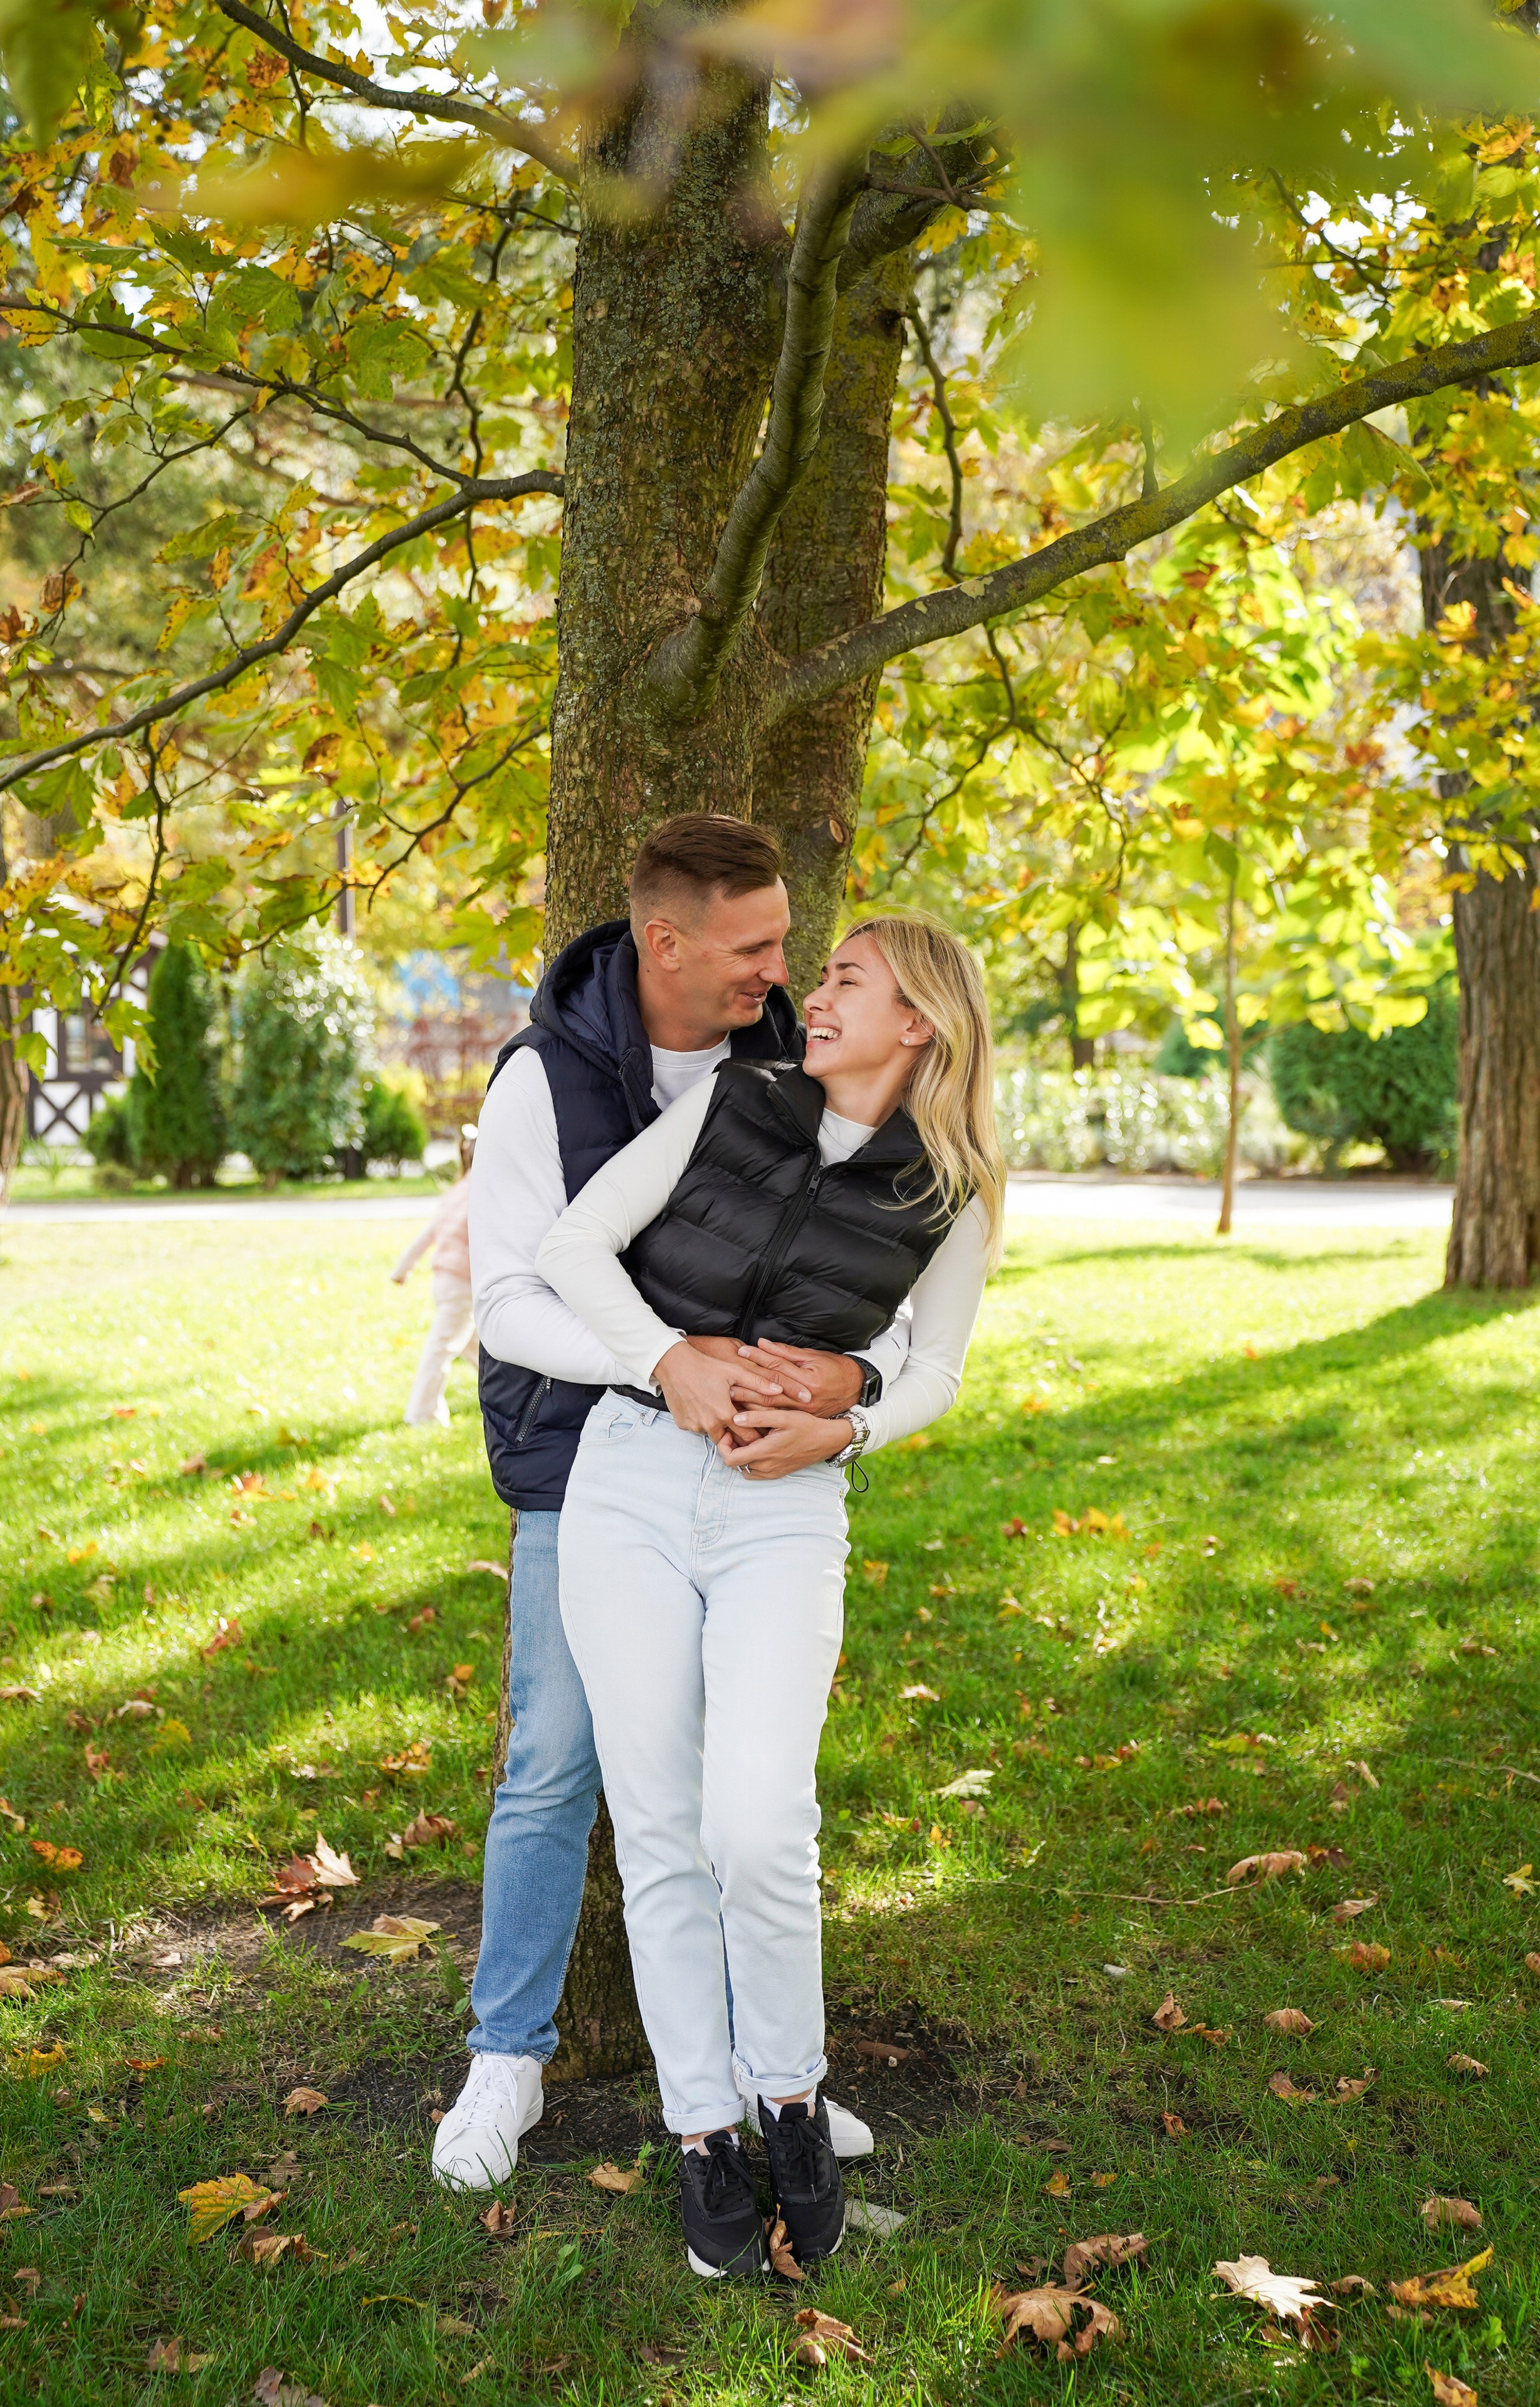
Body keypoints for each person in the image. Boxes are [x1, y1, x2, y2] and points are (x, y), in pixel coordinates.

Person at [431, 816, 906, 2195]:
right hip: (577, 1447)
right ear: (666, 941)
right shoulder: (548, 1081)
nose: (783, 970)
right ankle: (508, 2053)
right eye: (756, 946)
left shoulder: (784, 1058)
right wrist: (660, 1365)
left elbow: (862, 1244)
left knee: (738, 1789)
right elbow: (511, 1297)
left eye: (788, 944)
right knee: (558, 1759)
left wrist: (842, 1389)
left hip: (745, 1470)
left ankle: (774, 2083)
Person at [533, 913, 1005, 2279]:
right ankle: (700, 2134)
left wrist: (843, 1421)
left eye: (845, 979)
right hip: (626, 1479)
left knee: (757, 1818)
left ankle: (788, 2103)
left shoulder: (952, 1191)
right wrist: (669, 1361)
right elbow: (574, 1251)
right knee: (663, 1827)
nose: (813, 996)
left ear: (916, 1020)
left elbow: (934, 1372)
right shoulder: (734, 1104)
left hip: (780, 1513)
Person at [392, 1127, 477, 1427]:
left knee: (476, 1346)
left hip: (444, 1281)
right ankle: (422, 1413)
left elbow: (430, 1233)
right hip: (464, 1283)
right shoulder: (484, 1192)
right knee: (441, 1348)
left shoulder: (457, 1191)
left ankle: (503, 1394)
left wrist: (403, 1268)